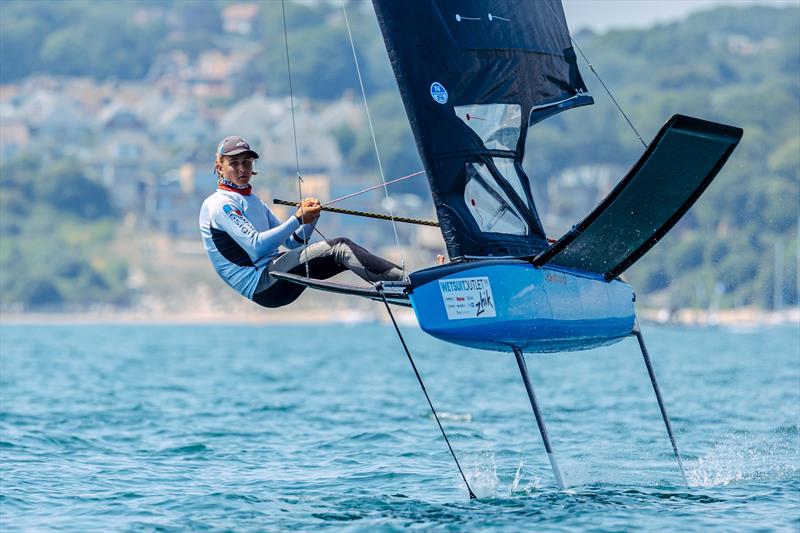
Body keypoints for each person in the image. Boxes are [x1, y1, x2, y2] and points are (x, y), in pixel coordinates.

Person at [199, 136, 406, 308]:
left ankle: (405, 287)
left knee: (343, 256)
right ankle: (410, 284)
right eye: (234, 163)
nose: (242, 168)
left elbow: (293, 243)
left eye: (247, 162)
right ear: (220, 166)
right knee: (340, 248)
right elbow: (256, 247)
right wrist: (298, 218)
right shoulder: (220, 204)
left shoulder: (254, 201)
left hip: (275, 275)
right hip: (263, 283)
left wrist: (310, 219)